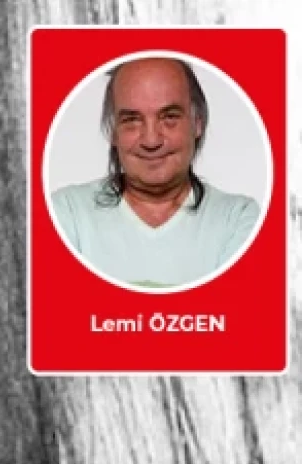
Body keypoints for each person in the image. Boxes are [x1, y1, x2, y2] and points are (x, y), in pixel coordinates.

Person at [50, 56, 261, 289]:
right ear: (113, 131)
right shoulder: (66, 213)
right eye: (132, 120)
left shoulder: (239, 219)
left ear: (197, 124)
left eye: (169, 117)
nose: (151, 140)